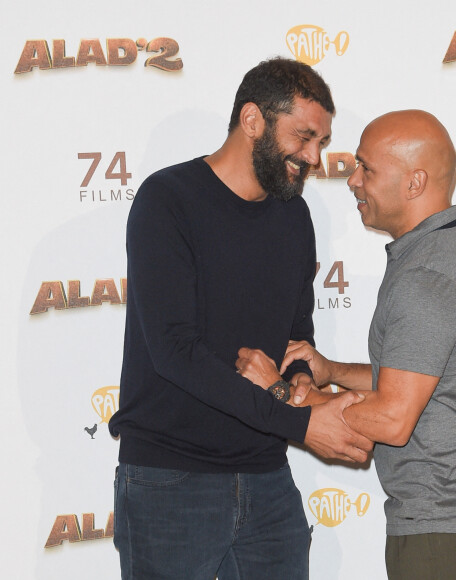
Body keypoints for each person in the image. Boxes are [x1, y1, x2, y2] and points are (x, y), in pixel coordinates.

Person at [108, 58, 372, 580]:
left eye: (321, 140)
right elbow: (175, 353)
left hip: (267, 478)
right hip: (170, 478)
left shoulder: (295, 214)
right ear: (252, 120)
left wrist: (298, 386)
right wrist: (298, 421)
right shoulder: (169, 200)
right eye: (304, 136)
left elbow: (298, 336)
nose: (315, 156)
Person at [236, 109, 456, 580]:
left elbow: (392, 417)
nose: (352, 181)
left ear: (415, 183)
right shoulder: (448, 250)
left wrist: (284, 395)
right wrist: (330, 370)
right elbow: (422, 379)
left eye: (367, 168)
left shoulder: (429, 274)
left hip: (444, 522)